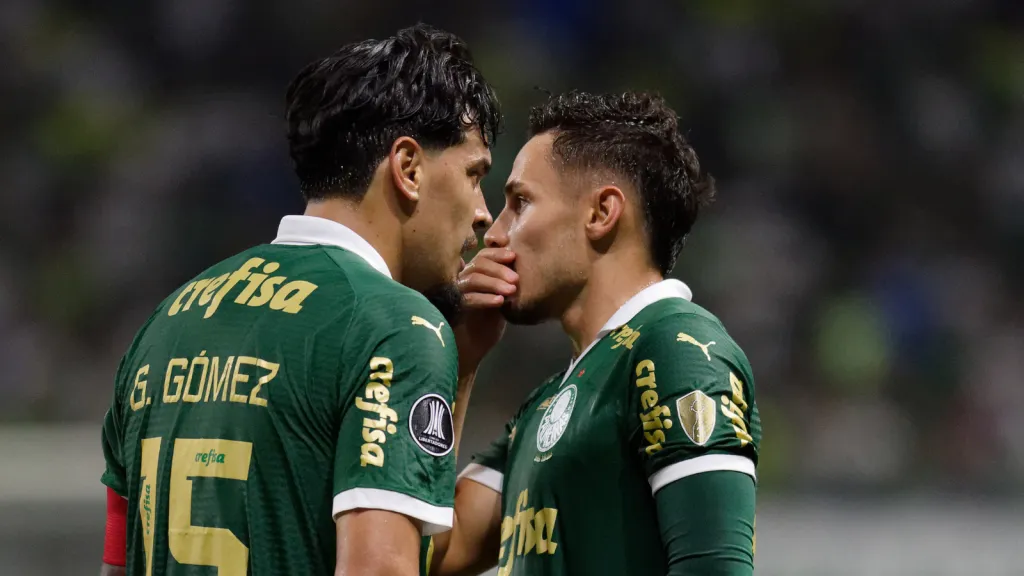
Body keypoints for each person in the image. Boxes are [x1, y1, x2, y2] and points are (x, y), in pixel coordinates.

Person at [98, 23, 501, 576]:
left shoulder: (163, 324)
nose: (484, 211)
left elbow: (117, 563)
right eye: (474, 174)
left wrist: (463, 364)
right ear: (408, 168)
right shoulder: (395, 327)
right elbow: (380, 568)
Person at [429, 90, 761, 575]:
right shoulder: (550, 400)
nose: (495, 234)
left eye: (520, 203)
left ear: (602, 213)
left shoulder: (677, 348)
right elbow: (435, 551)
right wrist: (461, 362)